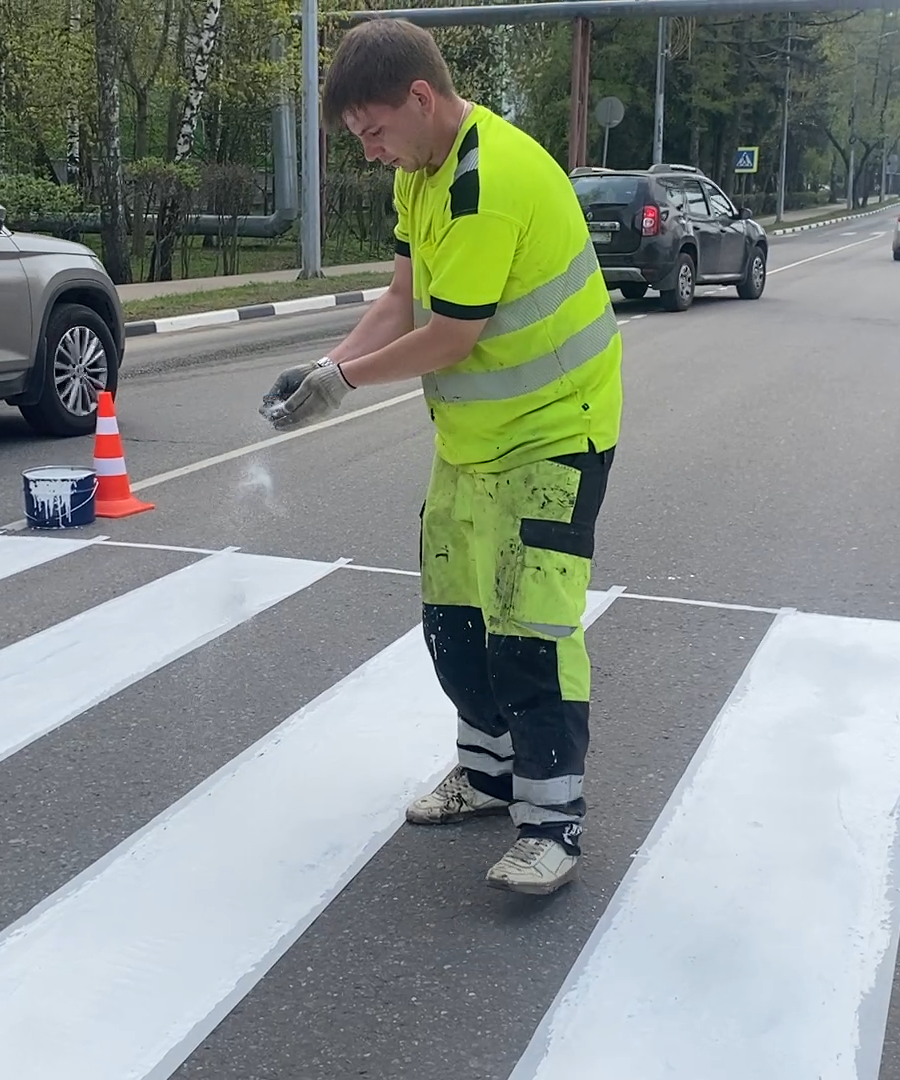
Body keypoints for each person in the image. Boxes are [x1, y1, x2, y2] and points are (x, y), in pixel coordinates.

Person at [259, 18, 623, 896]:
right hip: (473, 443)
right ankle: (489, 777)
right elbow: (402, 296)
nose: (371, 151)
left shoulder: (483, 182)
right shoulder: (420, 176)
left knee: (530, 635)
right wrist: (325, 366)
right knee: (457, 626)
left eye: (374, 131)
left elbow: (452, 336)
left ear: (422, 98)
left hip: (554, 435)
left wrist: (342, 383)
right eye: (358, 138)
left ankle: (552, 826)